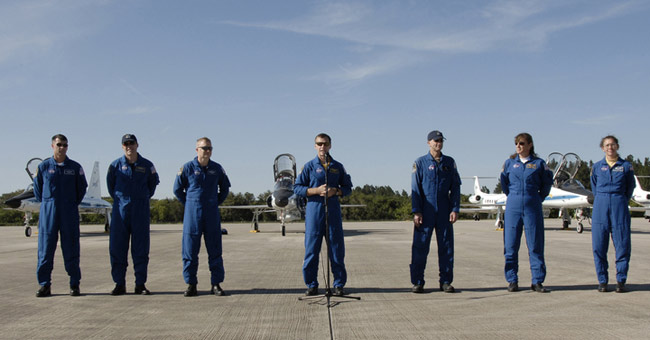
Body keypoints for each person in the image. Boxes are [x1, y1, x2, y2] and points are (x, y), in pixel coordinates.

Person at [294, 133, 353, 296]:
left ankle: (339, 284)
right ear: (315, 146)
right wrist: (316, 190)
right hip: (314, 211)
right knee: (312, 250)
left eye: (325, 144)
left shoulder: (338, 166)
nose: (322, 147)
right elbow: (297, 188)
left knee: (336, 249)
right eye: (319, 144)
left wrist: (336, 191)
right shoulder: (308, 166)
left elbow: (348, 187)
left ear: (330, 145)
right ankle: (311, 284)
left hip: (333, 211)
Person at [173, 137, 231, 297]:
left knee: (215, 249)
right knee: (190, 251)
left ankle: (216, 284)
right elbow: (177, 190)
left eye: (209, 148)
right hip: (192, 214)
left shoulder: (217, 168)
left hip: (211, 213)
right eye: (204, 148)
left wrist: (215, 202)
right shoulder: (187, 168)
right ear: (196, 150)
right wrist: (190, 203)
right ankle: (191, 284)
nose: (207, 151)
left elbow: (225, 188)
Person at [33, 134, 88, 297]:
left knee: (71, 248)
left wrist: (70, 203)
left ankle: (74, 284)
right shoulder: (43, 167)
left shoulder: (75, 167)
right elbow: (38, 191)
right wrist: (49, 203)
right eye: (59, 145)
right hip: (48, 212)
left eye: (65, 145)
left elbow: (81, 189)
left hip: (68, 212)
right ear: (52, 146)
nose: (62, 147)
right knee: (45, 249)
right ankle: (44, 285)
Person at [106, 134, 160, 296]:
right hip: (120, 213)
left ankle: (140, 284)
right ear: (122, 146)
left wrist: (140, 198)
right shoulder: (115, 166)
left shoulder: (147, 165)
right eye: (126, 144)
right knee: (117, 248)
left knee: (141, 249)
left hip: (140, 211)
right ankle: (119, 284)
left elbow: (152, 186)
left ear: (137, 145)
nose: (129, 146)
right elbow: (111, 187)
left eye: (132, 143)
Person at [500, 133, 553, 293]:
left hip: (532, 206)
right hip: (513, 206)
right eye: (516, 143)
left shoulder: (539, 164)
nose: (518, 146)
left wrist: (536, 198)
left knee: (535, 245)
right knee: (510, 246)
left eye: (522, 143)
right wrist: (515, 197)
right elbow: (504, 184)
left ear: (530, 145)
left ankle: (537, 281)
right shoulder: (509, 163)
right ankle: (512, 280)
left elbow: (546, 184)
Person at [410, 130, 461, 294]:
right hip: (426, 209)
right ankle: (418, 282)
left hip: (444, 210)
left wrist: (455, 208)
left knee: (446, 248)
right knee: (420, 247)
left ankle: (445, 281)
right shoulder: (420, 162)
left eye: (440, 141)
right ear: (428, 143)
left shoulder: (449, 162)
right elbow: (415, 188)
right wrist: (417, 211)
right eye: (435, 140)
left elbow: (455, 187)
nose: (438, 143)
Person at [590, 135, 635, 293]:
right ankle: (602, 281)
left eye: (613, 145)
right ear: (603, 148)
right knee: (599, 246)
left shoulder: (626, 166)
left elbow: (630, 187)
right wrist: (603, 198)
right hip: (600, 205)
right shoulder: (596, 167)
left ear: (617, 147)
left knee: (622, 244)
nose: (610, 148)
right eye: (607, 145)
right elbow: (594, 186)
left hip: (619, 204)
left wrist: (620, 199)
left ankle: (621, 281)